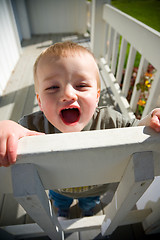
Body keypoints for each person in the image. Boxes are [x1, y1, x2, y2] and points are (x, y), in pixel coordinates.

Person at [0, 42, 160, 219]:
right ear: (40, 101)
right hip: (58, 188)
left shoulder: (108, 120)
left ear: (97, 96)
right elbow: (17, 131)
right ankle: (63, 211)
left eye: (81, 85)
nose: (68, 94)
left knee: (89, 202)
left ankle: (87, 210)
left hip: (96, 187)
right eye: (53, 87)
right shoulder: (34, 125)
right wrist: (7, 127)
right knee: (59, 201)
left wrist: (152, 119)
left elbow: (136, 130)